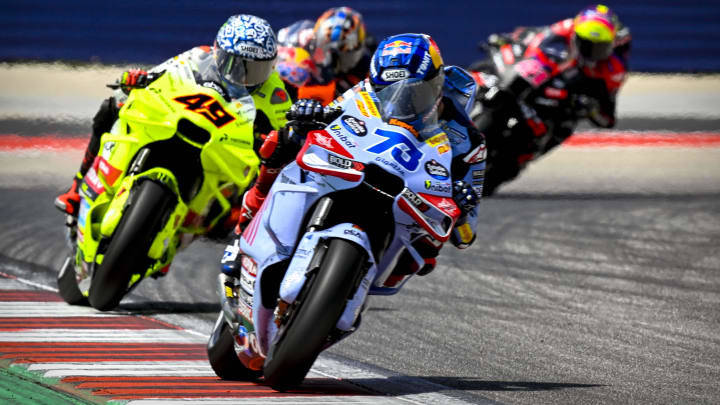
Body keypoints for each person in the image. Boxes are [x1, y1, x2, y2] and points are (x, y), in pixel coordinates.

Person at [222, 33, 486, 281]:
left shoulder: (468, 140)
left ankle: (360, 281)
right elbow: (328, 116)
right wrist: (308, 114)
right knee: (286, 139)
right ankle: (241, 233)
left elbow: (466, 237)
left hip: (412, 194)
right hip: (360, 165)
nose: (398, 102)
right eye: (386, 92)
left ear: (436, 84)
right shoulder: (364, 90)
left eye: (412, 92)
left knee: (427, 256)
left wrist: (462, 210)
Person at [54, 14, 293, 234]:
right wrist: (138, 80)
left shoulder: (276, 95)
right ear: (217, 51)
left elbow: (285, 135)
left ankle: (231, 225)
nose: (243, 76)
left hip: (227, 149)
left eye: (256, 69)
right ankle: (76, 187)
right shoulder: (199, 56)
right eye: (235, 64)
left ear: (271, 66)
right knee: (113, 104)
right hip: (180, 119)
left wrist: (273, 142)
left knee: (260, 182)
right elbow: (160, 75)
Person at [468, 4, 630, 194]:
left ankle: (520, 159)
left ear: (613, 43)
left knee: (560, 131)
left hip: (561, 107)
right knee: (491, 71)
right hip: (540, 83)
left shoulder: (613, 69)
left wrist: (589, 106)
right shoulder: (562, 31)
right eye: (586, 44)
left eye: (599, 48)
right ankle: (469, 107)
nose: (591, 51)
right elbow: (533, 49)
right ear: (576, 36)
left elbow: (607, 119)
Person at [275, 6, 375, 104]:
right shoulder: (302, 41)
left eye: (335, 53)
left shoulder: (366, 67)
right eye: (324, 48)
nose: (328, 55)